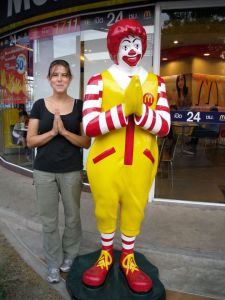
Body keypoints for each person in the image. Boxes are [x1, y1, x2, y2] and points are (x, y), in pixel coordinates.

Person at [82, 19, 170, 293]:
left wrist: (140, 112)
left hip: (141, 162)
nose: (132, 50)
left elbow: (165, 125)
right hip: (105, 162)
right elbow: (89, 125)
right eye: (125, 44)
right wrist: (124, 111)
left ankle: (128, 258)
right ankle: (106, 254)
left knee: (135, 211)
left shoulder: (156, 83)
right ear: (113, 48)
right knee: (105, 208)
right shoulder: (98, 82)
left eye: (136, 44)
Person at [27, 59, 91, 283]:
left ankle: (70, 257)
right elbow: (31, 141)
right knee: (49, 221)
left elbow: (86, 142)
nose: (60, 79)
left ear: (70, 79)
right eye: (55, 75)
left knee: (73, 218)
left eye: (64, 75)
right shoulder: (38, 105)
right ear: (49, 79)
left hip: (71, 170)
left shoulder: (80, 105)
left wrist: (64, 132)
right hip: (44, 171)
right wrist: (53, 133)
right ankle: (53, 264)